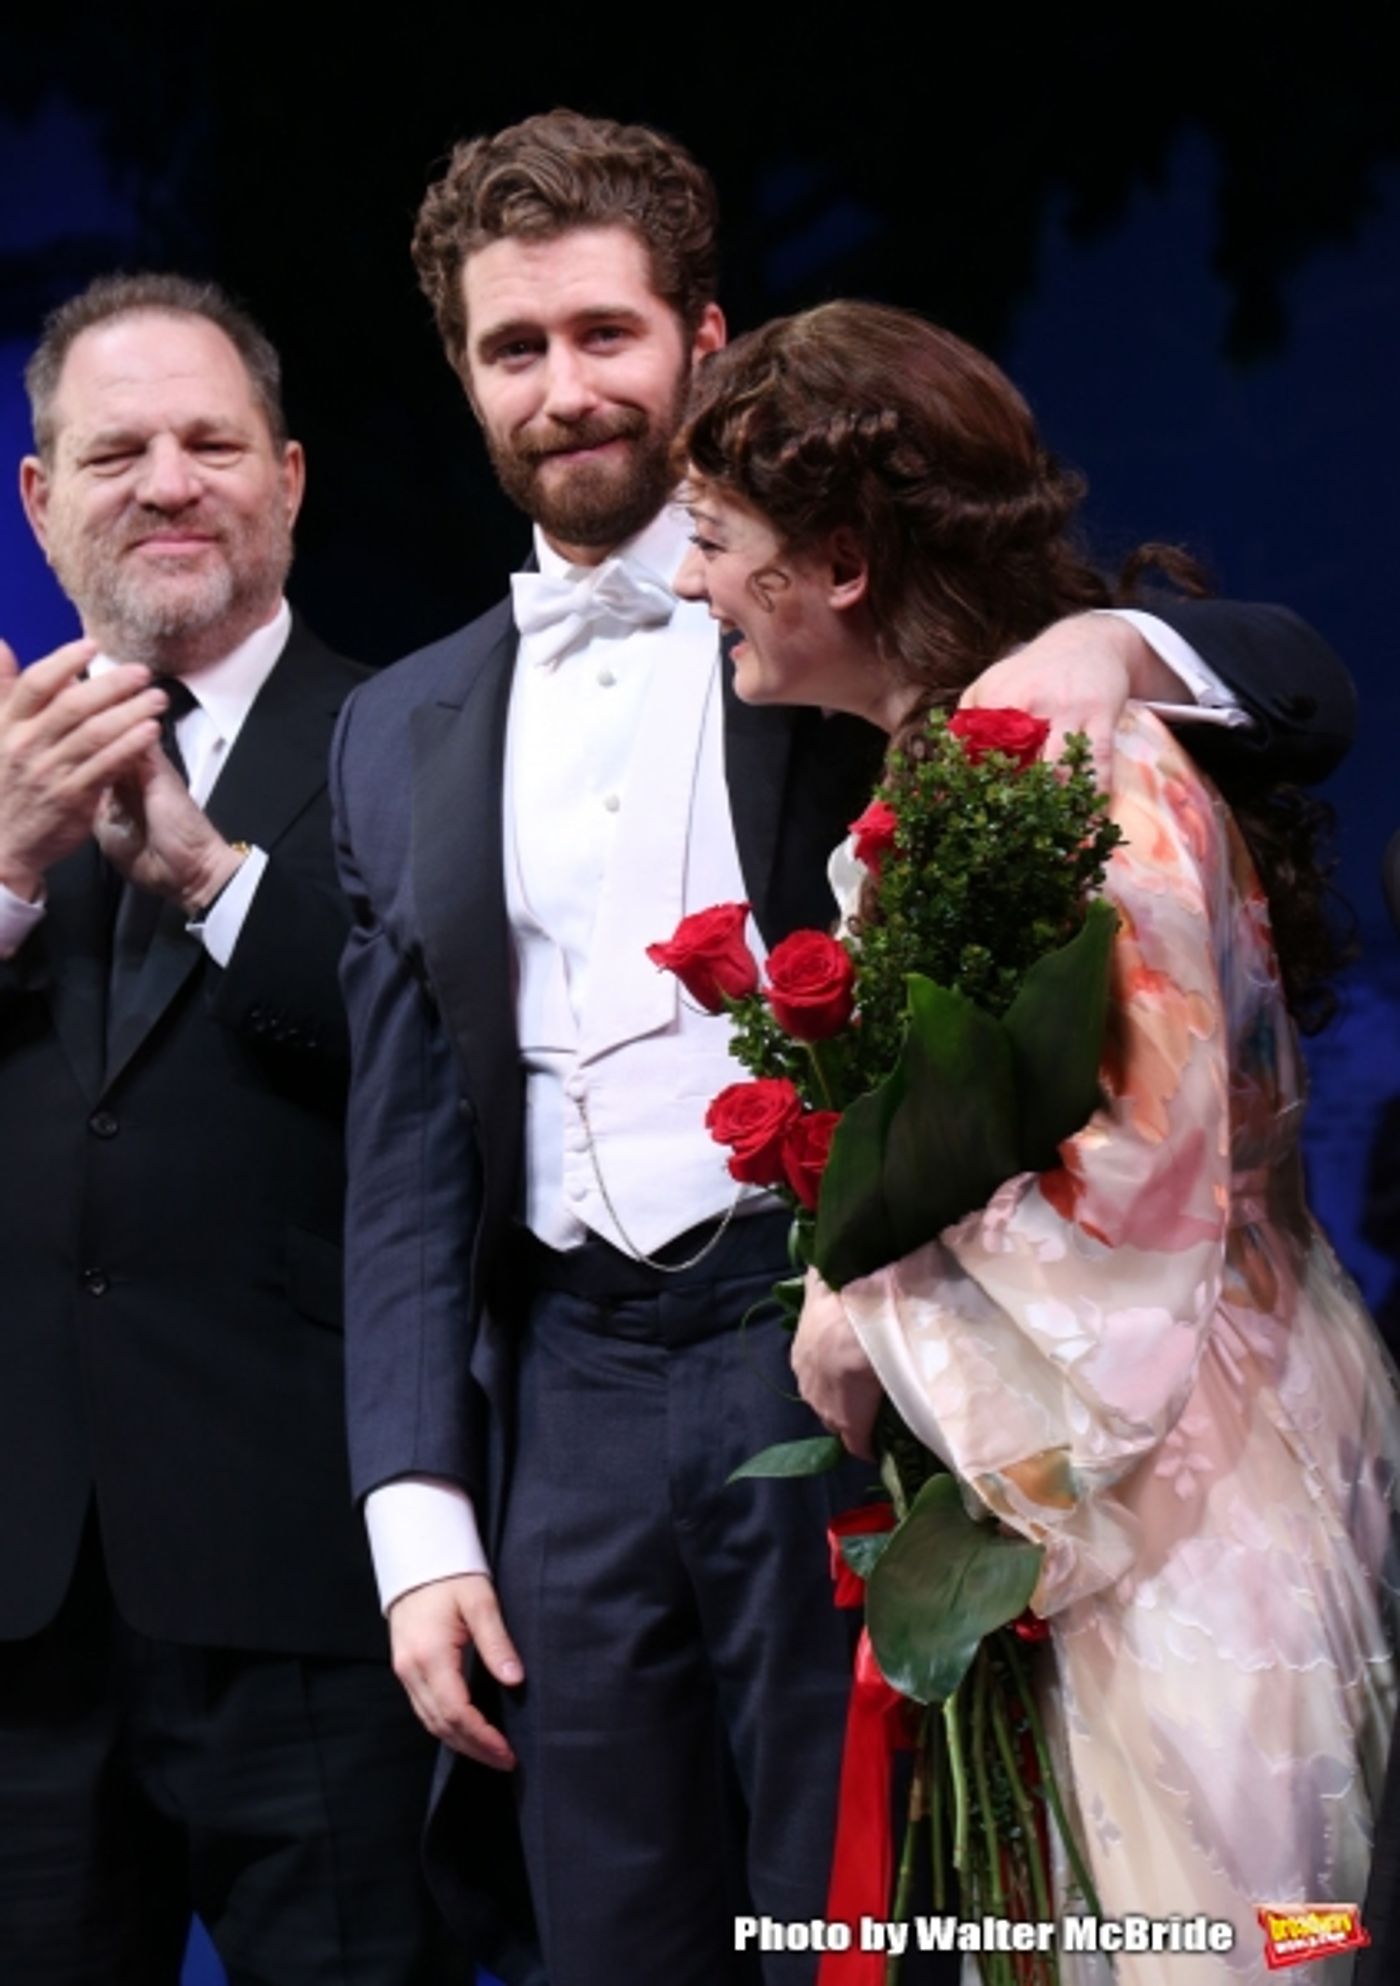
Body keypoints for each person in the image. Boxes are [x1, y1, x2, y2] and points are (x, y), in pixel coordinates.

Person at [331, 109, 1361, 1986]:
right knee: (620, 1931)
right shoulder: (395, 729)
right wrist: (417, 1514)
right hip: (561, 1402)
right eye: (512, 348)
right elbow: (403, 1154)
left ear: (702, 339)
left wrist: (1122, 643)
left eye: (604, 334)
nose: (564, 389)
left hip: (842, 1369)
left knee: (881, 1920)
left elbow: (1290, 686)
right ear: (464, 378)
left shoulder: (825, 598)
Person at [673, 298, 1400, 1982]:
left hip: (1187, 1492)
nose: (697, 581)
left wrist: (870, 1303)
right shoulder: (966, 756)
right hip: (1130, 1475)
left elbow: (1147, 1171)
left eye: (718, 540)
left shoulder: (1064, 753)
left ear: (838, 563)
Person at [0, 275, 467, 1985]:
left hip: (319, 1593)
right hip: (23, 1615)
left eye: (210, 442)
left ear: (287, 479)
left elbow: (459, 1083)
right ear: (41, 500)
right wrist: (5, 869)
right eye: (116, 449)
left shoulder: (417, 736)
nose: (169, 480)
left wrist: (210, 881)